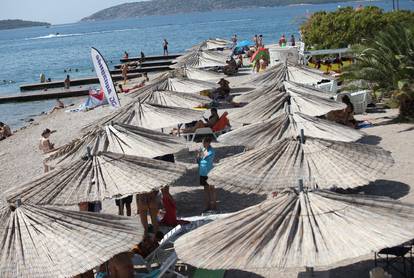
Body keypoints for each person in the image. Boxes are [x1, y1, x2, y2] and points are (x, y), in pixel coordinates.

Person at [197, 137, 216, 211]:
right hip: (202, 171)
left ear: (208, 143)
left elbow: (206, 159)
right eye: (202, 143)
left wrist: (200, 155)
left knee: (211, 188)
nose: (203, 144)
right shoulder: (203, 150)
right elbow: (199, 161)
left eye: (204, 143)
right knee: (205, 189)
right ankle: (207, 205)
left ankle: (213, 205)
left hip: (209, 171)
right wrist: (198, 156)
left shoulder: (211, 151)